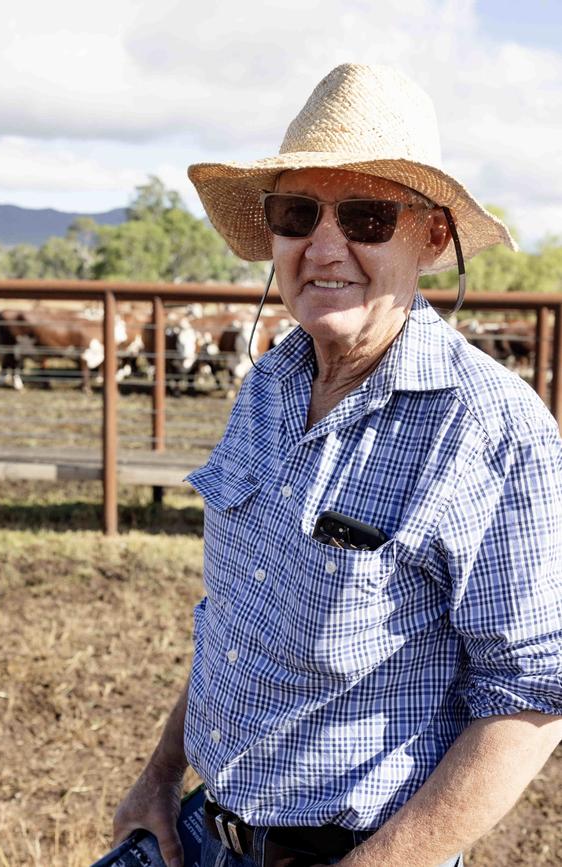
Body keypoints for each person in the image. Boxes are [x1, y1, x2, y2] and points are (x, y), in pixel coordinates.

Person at [112, 64, 562, 867]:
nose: (324, 246)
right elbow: (237, 619)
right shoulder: (269, 384)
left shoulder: (492, 431)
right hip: (203, 827)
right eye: (296, 213)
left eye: (365, 214)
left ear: (430, 239)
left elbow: (532, 696)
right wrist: (160, 772)